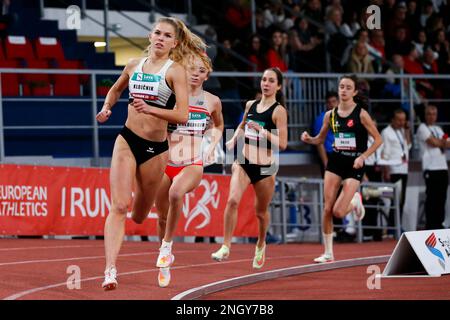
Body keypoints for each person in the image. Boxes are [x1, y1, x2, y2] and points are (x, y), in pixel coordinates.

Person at [96, 17, 207, 291]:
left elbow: (182, 114)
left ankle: (142, 214)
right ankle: (110, 270)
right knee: (119, 205)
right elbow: (117, 87)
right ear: (149, 36)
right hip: (127, 139)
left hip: (156, 149)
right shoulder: (134, 64)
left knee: (139, 215)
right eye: (157, 33)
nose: (160, 38)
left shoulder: (175, 71)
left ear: (174, 43)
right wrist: (107, 106)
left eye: (166, 35)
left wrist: (151, 109)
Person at [154, 54, 224, 287]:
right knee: (161, 216)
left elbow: (219, 124)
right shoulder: (171, 96)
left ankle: (167, 247)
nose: (195, 73)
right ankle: (164, 260)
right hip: (166, 163)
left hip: (192, 163)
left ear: (207, 75)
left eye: (201, 70)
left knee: (176, 194)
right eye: (191, 69)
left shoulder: (212, 101)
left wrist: (212, 145)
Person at [211, 67, 288, 269]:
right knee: (232, 201)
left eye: (271, 81)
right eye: (264, 79)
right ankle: (225, 245)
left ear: (278, 86)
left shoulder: (279, 111)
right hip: (244, 161)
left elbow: (283, 144)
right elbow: (243, 125)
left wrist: (263, 132)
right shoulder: (250, 104)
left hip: (266, 168)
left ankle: (261, 243)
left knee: (261, 212)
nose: (266, 83)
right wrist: (234, 139)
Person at [301, 75, 382, 263]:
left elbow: (378, 139)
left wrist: (363, 157)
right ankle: (328, 252)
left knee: (339, 211)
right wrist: (309, 139)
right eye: (341, 87)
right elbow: (320, 139)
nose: (343, 90)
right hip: (335, 162)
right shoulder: (331, 115)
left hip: (354, 164)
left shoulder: (361, 114)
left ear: (354, 92)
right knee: (327, 208)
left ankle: (354, 202)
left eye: (348, 87)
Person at [416, 105, 450, 230]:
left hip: (442, 167)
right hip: (430, 167)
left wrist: (441, 142)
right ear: (425, 115)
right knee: (432, 197)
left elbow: (446, 143)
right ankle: (430, 224)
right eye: (429, 114)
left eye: (434, 114)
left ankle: (439, 223)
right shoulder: (422, 128)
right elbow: (433, 142)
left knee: (442, 197)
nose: (431, 116)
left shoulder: (438, 129)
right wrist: (442, 142)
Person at [380, 109, 411, 230]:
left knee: (401, 200)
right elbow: (384, 153)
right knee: (395, 200)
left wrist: (407, 130)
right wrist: (386, 169)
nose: (401, 122)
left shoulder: (402, 130)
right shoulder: (386, 132)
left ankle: (396, 225)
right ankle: (393, 226)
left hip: (404, 169)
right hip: (393, 169)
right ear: (392, 119)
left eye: (403, 120)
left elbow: (408, 145)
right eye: (399, 120)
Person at [312, 91, 339, 176]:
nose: (331, 105)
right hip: (329, 155)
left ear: (338, 102)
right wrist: (326, 163)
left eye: (334, 101)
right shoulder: (321, 119)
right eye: (329, 102)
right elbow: (319, 143)